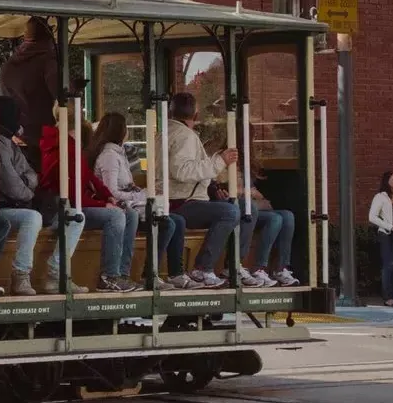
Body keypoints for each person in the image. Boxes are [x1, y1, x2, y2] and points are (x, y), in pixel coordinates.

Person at [87, 112, 179, 290]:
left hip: (130, 203)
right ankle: (128, 273)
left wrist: (141, 191)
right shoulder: (109, 156)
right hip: (123, 206)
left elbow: (125, 184)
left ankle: (146, 273)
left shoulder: (119, 154)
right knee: (164, 223)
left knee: (171, 221)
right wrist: (141, 195)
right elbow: (111, 191)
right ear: (120, 131)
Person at [39, 120, 133, 293]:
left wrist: (108, 196)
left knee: (130, 214)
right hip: (62, 208)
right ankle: (109, 276)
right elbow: (73, 195)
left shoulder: (73, 149)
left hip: (76, 203)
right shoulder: (65, 151)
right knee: (116, 216)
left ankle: (122, 274)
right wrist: (102, 204)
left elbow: (89, 177)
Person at [164, 93, 241, 288]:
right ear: (195, 114)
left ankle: (234, 265)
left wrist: (213, 186)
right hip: (180, 202)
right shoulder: (184, 136)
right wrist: (221, 161)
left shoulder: (165, 131)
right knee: (230, 212)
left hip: (173, 199)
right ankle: (203, 267)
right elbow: (182, 171)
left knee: (238, 208)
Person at [0, 99, 47, 297]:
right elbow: (11, 184)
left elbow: (32, 175)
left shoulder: (10, 144)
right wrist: (29, 191)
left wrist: (26, 182)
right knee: (32, 218)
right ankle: (20, 273)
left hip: (14, 205)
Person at [0, 17, 61, 148]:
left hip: (14, 135)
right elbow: (61, 93)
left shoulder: (8, 65)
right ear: (48, 38)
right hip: (42, 138)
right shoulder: (47, 61)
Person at [240, 169, 299, 287]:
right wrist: (246, 192)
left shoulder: (244, 170)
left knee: (287, 216)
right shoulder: (223, 169)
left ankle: (281, 268)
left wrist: (250, 193)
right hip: (240, 210)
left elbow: (261, 198)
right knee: (275, 219)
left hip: (254, 208)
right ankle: (258, 268)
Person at [368, 170, 393, 305]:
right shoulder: (380, 197)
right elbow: (372, 217)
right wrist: (389, 226)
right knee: (388, 264)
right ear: (387, 181)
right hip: (386, 234)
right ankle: (387, 296)